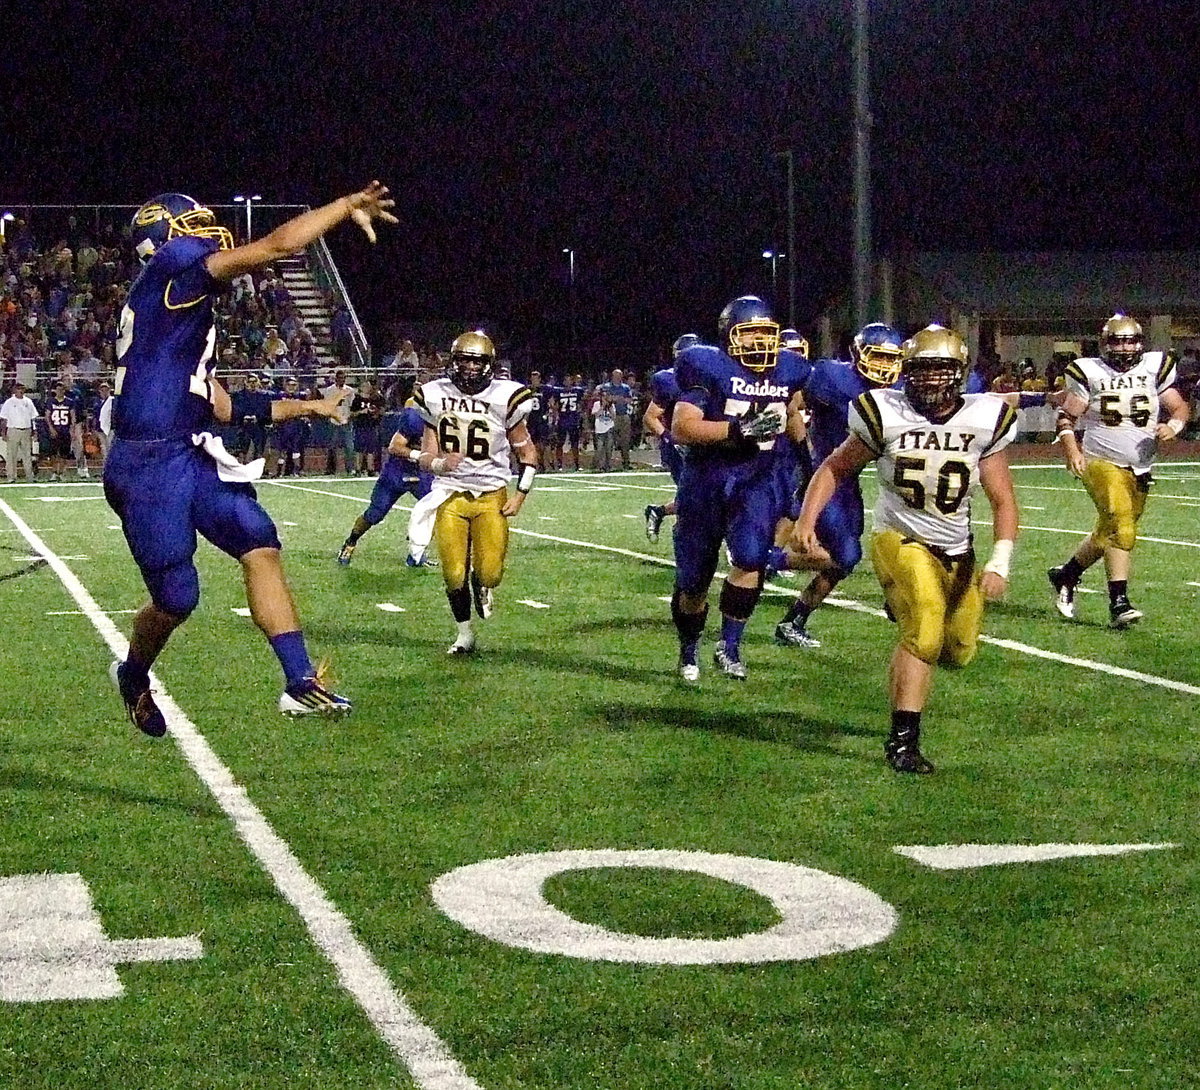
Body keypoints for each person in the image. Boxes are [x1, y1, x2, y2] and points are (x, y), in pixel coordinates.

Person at [104, 183, 397, 735]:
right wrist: (343, 206)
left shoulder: (177, 314)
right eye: (192, 226)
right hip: (146, 468)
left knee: (258, 542)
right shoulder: (172, 271)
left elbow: (225, 405)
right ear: (167, 239)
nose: (206, 233)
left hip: (189, 456)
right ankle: (134, 673)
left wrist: (311, 404)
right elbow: (280, 245)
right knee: (177, 598)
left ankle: (299, 682)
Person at [793, 325, 1019, 774]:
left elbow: (1002, 498)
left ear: (961, 374)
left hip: (958, 548)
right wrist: (806, 519)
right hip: (899, 537)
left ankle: (904, 606)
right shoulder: (884, 411)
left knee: (957, 651)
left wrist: (1000, 560)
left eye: (942, 371)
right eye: (922, 370)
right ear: (906, 373)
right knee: (925, 631)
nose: (931, 380)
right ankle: (902, 743)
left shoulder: (983, 418)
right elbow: (835, 466)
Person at [670, 296, 810, 681]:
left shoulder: (790, 370)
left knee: (750, 559)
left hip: (756, 479)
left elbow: (793, 411)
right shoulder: (707, 366)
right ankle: (688, 648)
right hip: (706, 479)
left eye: (767, 334)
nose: (761, 343)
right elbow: (682, 426)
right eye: (750, 334)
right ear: (729, 337)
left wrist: (808, 462)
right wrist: (738, 431)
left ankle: (729, 645)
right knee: (694, 580)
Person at [1047, 314, 1188, 627]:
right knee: (1122, 526)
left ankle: (1066, 574)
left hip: (1140, 465)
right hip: (1100, 460)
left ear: (1140, 342)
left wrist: (1173, 426)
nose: (1124, 347)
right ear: (1105, 343)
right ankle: (1119, 602)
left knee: (1109, 531)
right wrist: (1072, 449)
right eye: (1117, 340)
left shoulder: (1154, 367)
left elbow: (1179, 407)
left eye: (1130, 340)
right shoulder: (1089, 371)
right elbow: (1066, 417)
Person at [772, 323, 905, 647]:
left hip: (849, 482)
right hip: (823, 476)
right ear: (858, 354)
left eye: (891, 359)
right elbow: (791, 397)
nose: (884, 366)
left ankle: (792, 619)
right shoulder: (832, 378)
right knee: (846, 553)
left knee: (846, 559)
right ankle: (760, 561)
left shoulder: (899, 389)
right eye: (878, 357)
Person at [412, 331, 536, 654]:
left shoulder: (506, 396)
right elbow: (427, 455)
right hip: (450, 493)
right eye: (463, 360)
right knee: (453, 573)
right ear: (453, 361)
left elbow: (528, 455)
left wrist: (520, 494)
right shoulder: (433, 394)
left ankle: (483, 586)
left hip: (491, 492)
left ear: (489, 365)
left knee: (490, 573)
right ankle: (464, 634)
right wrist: (439, 464)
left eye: (475, 361)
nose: (468, 367)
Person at [337, 401, 440, 567]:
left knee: (435, 510)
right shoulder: (415, 418)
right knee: (374, 514)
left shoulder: (451, 422)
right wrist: (420, 455)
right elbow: (394, 447)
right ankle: (351, 541)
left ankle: (416, 553)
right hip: (397, 472)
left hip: (422, 473)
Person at [643, 333, 699, 542]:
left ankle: (659, 511)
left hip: (703, 443)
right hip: (679, 447)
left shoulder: (710, 378)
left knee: (705, 495)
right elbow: (650, 417)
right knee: (693, 496)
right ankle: (685, 544)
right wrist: (670, 438)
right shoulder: (668, 380)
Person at [1, 381, 39, 482]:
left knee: (27, 454)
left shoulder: (28, 402)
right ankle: (11, 476)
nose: (20, 391)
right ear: (14, 390)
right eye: (18, 389)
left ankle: (29, 476)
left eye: (22, 389)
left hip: (26, 430)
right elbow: (4, 419)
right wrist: (3, 432)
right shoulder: (9, 402)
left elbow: (32, 418)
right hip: (13, 429)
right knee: (11, 455)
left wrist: (34, 431)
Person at [600, 368, 634, 469]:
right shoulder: (606, 387)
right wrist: (617, 399)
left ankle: (626, 462)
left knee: (625, 441)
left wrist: (618, 398)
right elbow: (606, 399)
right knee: (609, 441)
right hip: (610, 417)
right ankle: (607, 464)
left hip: (623, 415)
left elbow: (629, 400)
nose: (617, 377)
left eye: (619, 376)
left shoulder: (626, 387)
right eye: (615, 375)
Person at [553, 372, 586, 471]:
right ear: (563, 382)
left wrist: (581, 416)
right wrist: (555, 418)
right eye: (566, 380)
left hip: (573, 420)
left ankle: (576, 464)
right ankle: (559, 464)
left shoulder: (578, 391)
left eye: (569, 380)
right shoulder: (558, 392)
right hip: (563, 420)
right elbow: (555, 405)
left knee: (575, 444)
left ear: (572, 381)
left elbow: (582, 403)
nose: (568, 382)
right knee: (560, 443)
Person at [43, 382, 76, 481]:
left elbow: (73, 416)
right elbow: (47, 416)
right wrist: (51, 428)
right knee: (53, 453)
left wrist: (71, 429)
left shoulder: (69, 402)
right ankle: (54, 472)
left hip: (65, 430)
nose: (60, 392)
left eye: (61, 390)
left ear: (64, 391)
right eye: (58, 389)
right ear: (55, 390)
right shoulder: (51, 401)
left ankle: (61, 472)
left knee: (63, 453)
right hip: (55, 429)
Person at [591, 387, 615, 471]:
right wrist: (602, 406)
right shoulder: (597, 404)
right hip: (600, 429)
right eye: (603, 396)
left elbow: (613, 417)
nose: (605, 398)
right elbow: (596, 415)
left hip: (609, 428)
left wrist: (609, 407)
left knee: (609, 448)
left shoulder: (611, 405)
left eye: (606, 396)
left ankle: (608, 465)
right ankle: (599, 466)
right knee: (599, 448)